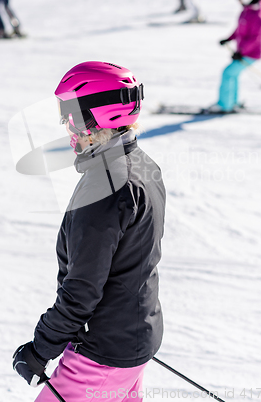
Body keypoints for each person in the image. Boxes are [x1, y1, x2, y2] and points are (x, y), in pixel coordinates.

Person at [12, 61, 166, 402]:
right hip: (132, 339)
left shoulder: (104, 189)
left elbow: (81, 290)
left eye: (71, 116)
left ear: (96, 119)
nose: (67, 127)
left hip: (102, 356)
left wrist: (40, 349)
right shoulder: (141, 164)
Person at [209, 0, 261, 113]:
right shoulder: (247, 11)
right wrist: (229, 38)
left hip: (251, 54)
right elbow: (240, 30)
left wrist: (241, 52)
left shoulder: (257, 16)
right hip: (244, 53)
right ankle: (232, 102)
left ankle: (225, 105)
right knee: (232, 74)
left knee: (228, 73)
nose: (239, 1)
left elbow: (254, 39)